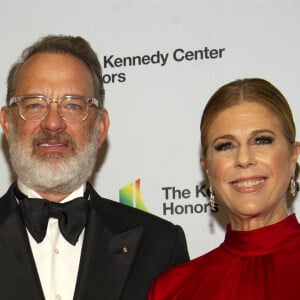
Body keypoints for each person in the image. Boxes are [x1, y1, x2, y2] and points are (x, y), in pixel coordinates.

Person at [0, 35, 189, 300]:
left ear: (100, 127)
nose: (53, 123)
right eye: (34, 105)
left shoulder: (160, 244)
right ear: (7, 123)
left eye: (73, 106)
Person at [148, 78, 300, 300]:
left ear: (293, 155)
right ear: (207, 167)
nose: (244, 159)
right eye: (225, 146)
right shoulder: (172, 290)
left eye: (261, 141)